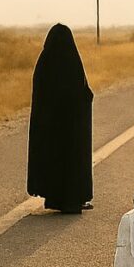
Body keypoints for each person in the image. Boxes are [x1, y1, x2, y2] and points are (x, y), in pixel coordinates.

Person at [27, 24, 94, 213]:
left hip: (50, 128)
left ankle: (55, 198)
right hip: (71, 129)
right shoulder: (72, 62)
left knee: (53, 158)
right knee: (72, 159)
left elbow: (40, 98)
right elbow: (82, 93)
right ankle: (73, 199)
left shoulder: (44, 63)